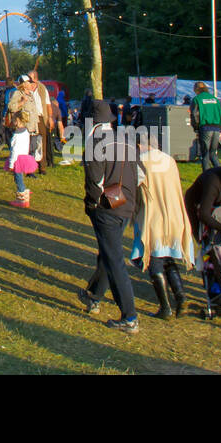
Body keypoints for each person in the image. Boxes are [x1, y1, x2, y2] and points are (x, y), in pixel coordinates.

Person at [78, 100, 141, 333]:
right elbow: (138, 174)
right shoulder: (126, 140)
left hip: (107, 208)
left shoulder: (95, 143)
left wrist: (93, 204)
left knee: (114, 260)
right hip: (127, 204)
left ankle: (130, 316)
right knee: (108, 253)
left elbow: (95, 182)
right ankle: (93, 295)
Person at [130, 142, 194, 319]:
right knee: (167, 258)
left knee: (155, 261)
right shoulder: (169, 160)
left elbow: (134, 187)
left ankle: (165, 307)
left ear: (140, 144)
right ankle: (181, 298)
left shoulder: (141, 161)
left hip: (154, 216)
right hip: (173, 214)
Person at [5, 97, 36, 209]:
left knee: (17, 177)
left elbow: (14, 150)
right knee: (20, 176)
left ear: (17, 121)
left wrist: (11, 164)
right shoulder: (26, 132)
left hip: (17, 159)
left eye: (13, 120)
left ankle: (22, 195)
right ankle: (23, 191)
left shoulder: (16, 136)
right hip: (24, 157)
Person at [192, 82, 221, 171]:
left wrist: (196, 127)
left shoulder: (197, 99)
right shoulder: (215, 99)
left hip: (205, 127)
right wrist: (220, 127)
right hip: (216, 127)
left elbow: (194, 115)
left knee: (205, 154)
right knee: (213, 153)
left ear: (196, 89)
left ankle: (206, 176)